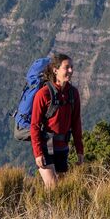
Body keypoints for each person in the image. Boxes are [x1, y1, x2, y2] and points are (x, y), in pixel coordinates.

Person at [30, 52, 83, 188]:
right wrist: (38, 153)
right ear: (55, 70)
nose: (71, 71)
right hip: (45, 147)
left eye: (72, 67)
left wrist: (80, 151)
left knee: (62, 189)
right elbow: (35, 125)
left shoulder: (73, 93)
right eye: (66, 67)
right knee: (53, 188)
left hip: (63, 148)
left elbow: (76, 123)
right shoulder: (43, 94)